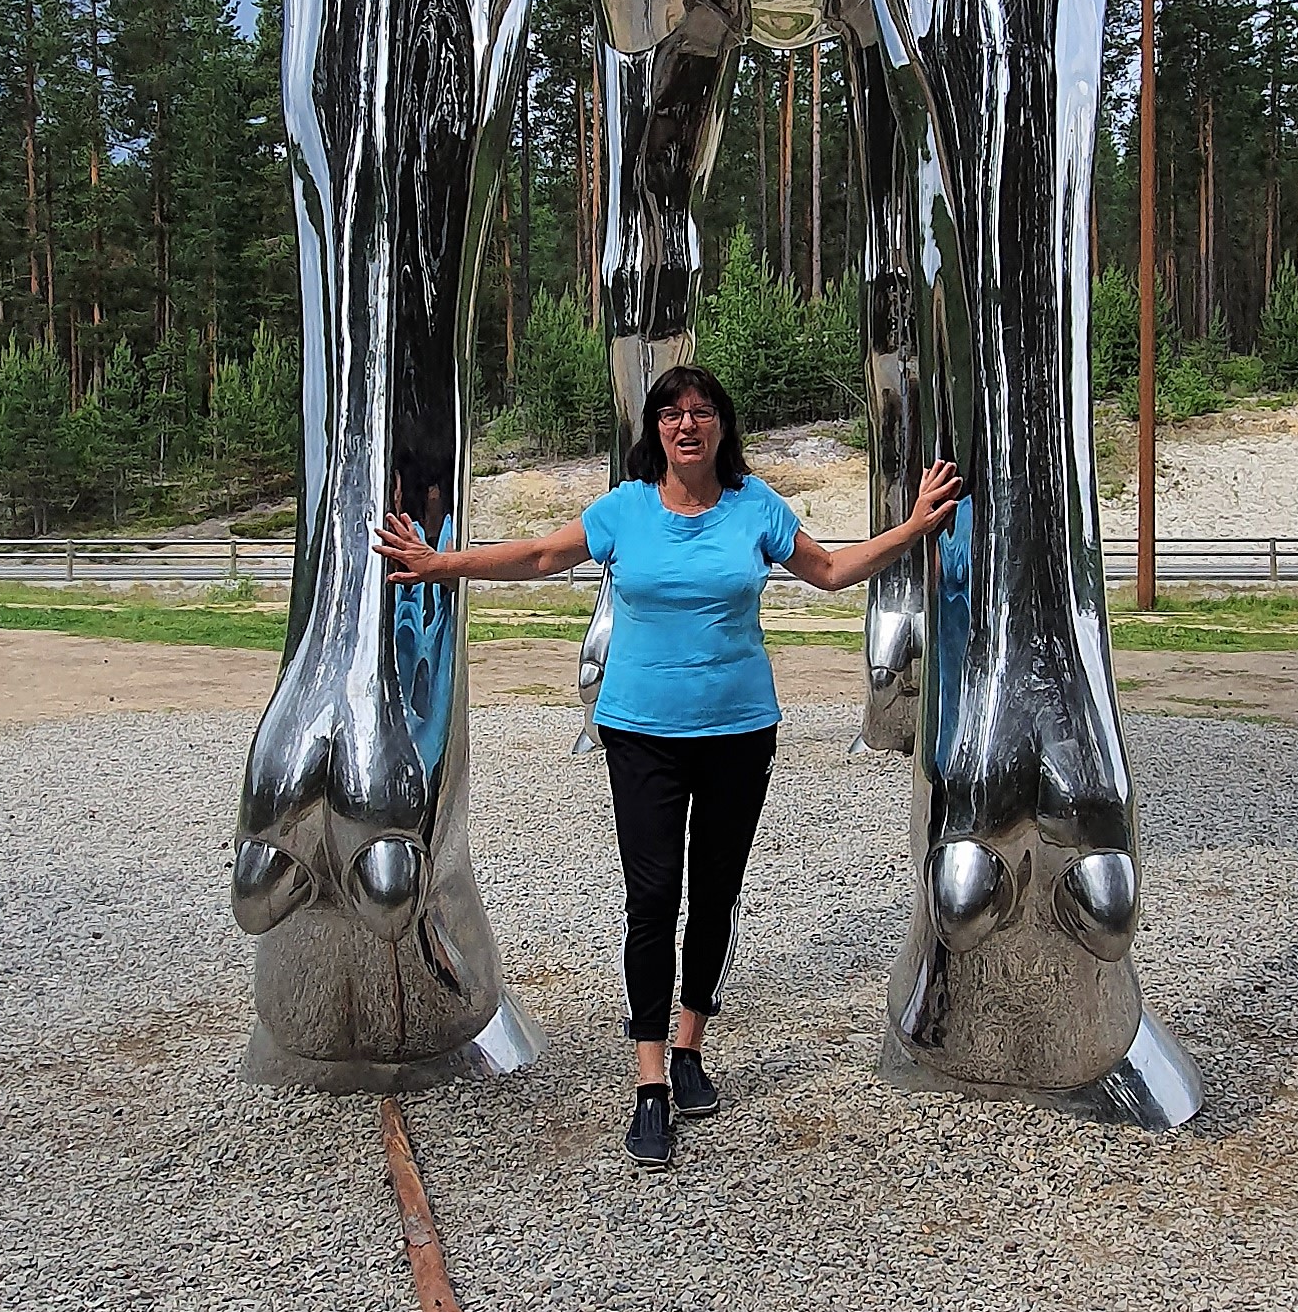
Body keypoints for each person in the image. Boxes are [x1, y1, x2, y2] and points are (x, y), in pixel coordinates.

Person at [373, 362, 959, 1168]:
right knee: (651, 900)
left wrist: (915, 524)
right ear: (654, 429)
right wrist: (440, 564)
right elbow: (541, 557)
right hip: (641, 734)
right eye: (671, 413)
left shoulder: (756, 506)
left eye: (702, 411)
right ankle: (648, 1079)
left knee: (714, 896)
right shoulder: (625, 509)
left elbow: (829, 572)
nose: (687, 424)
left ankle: (689, 1048)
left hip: (738, 732)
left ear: (722, 425)